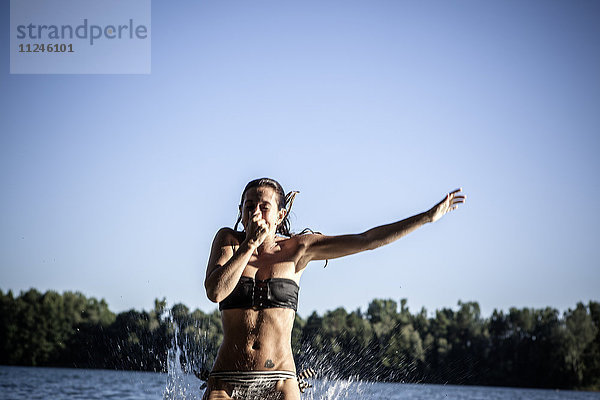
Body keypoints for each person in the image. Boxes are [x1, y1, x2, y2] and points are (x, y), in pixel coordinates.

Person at [203, 177, 466, 400]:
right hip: (225, 382)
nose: (256, 214)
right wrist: (249, 245)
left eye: (264, 207)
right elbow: (215, 292)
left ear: (280, 215)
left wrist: (426, 217)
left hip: (280, 381)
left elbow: (367, 240)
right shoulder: (229, 242)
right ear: (240, 211)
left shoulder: (299, 249)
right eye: (249, 207)